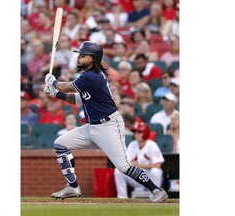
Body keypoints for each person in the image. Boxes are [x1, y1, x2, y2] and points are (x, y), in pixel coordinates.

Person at [43, 41, 168, 202]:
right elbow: (77, 100)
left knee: (123, 167)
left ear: (93, 59)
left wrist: (53, 82)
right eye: (79, 54)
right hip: (92, 127)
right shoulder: (87, 77)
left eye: (83, 55)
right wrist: (55, 93)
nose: (79, 57)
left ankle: (157, 190)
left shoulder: (92, 77)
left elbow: (67, 87)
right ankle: (72, 186)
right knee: (61, 143)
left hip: (109, 126)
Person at [114, 122, 165, 199]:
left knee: (156, 171)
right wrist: (135, 165)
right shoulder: (132, 144)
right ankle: (122, 197)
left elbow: (158, 165)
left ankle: (156, 195)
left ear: (145, 133)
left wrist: (141, 166)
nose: (136, 134)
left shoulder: (152, 145)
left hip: (150, 176)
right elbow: (126, 162)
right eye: (135, 132)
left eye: (139, 132)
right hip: (136, 177)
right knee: (118, 171)